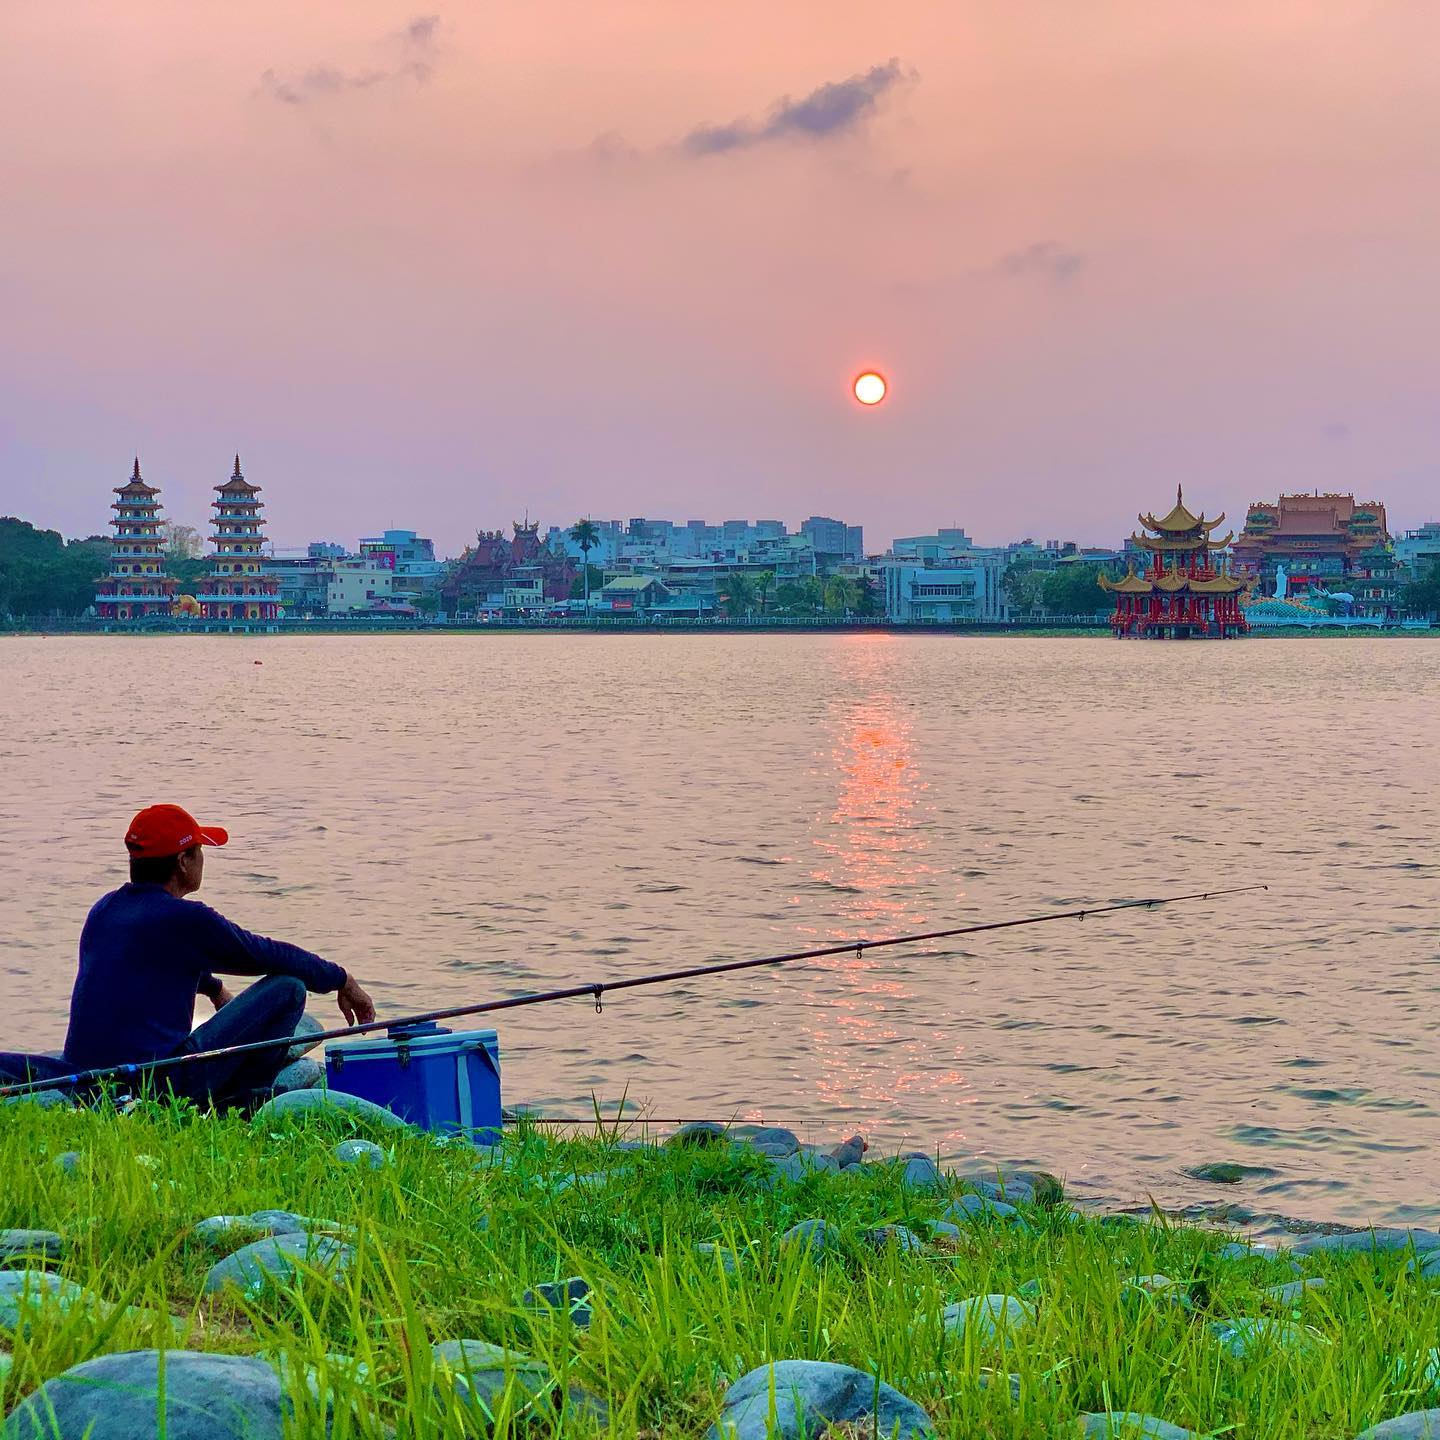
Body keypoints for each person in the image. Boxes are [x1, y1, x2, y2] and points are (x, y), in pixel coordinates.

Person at [61, 803, 375, 1108]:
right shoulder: (187, 919)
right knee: (288, 988)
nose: (203, 859)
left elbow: (151, 961)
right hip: (158, 1084)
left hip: (87, 1081)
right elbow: (267, 953)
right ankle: (241, 1102)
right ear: (183, 861)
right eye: (200, 850)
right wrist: (341, 979)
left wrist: (213, 988)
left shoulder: (104, 910)